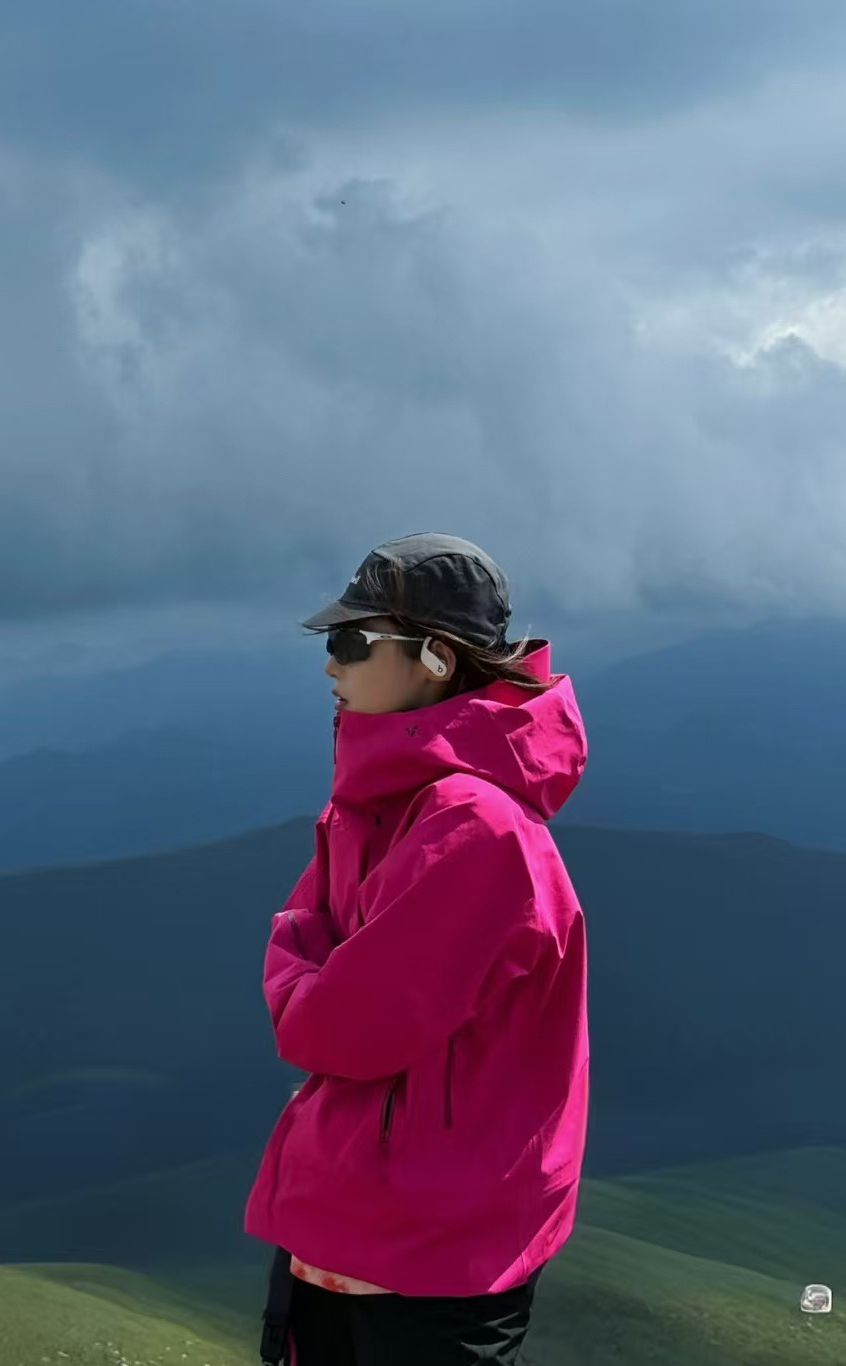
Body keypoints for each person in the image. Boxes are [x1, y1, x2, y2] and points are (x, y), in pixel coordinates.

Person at [244, 532, 590, 1365]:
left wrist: (306, 966)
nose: (331, 664)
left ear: (435, 657)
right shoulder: (373, 811)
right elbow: (312, 962)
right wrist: (313, 968)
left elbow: (333, 1028)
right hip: (353, 1240)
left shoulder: (472, 828)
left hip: (426, 1267)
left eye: (352, 642)